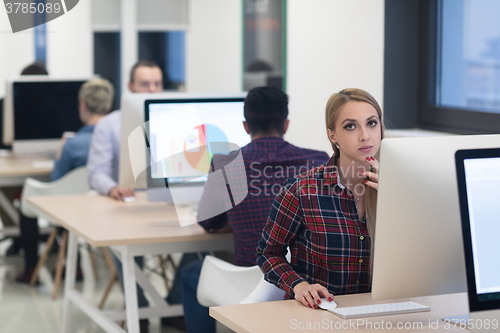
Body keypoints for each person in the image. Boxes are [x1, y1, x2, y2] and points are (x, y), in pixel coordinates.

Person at [181, 86, 330, 333]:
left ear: (245, 126)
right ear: (286, 124)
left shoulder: (226, 164)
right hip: (307, 281)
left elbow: (208, 222)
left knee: (190, 272)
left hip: (251, 282)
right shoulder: (317, 161)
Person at [86, 60, 191, 333]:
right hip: (127, 205)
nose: (153, 90)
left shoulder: (176, 121)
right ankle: (140, 311)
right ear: (130, 87)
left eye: (157, 84)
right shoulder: (109, 125)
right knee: (127, 252)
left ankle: (174, 306)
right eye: (145, 84)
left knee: (204, 244)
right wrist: (112, 187)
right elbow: (96, 172)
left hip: (172, 203)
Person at [256, 88, 384, 310]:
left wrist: (395, 198)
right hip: (320, 314)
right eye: (350, 126)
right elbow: (268, 253)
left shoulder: (398, 187)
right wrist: (298, 285)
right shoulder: (301, 191)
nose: (365, 135)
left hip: (381, 313)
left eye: (371, 123)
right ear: (332, 135)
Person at [16, 78, 114, 283]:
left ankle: (31, 268)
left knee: (28, 201)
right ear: (109, 106)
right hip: (106, 208)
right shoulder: (116, 139)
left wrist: (60, 152)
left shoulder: (72, 144)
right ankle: (75, 264)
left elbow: (57, 183)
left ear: (83, 105)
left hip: (73, 213)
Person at [4, 62, 49, 256]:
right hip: (13, 168)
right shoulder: (6, 105)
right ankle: (17, 237)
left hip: (46, 174)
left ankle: (47, 238)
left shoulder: (52, 106)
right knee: (7, 194)